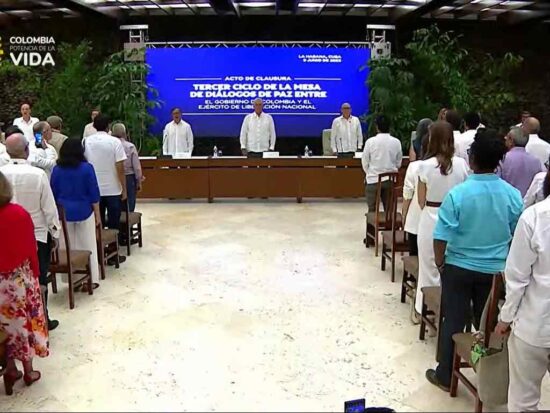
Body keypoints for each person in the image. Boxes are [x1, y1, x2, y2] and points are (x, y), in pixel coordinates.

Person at [425, 129, 523, 392]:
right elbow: (517, 235)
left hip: (458, 267)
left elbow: (441, 236)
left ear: (472, 159)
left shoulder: (458, 195)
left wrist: (440, 263)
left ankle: (446, 374)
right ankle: (487, 379)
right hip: (494, 273)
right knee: (486, 326)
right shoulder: (513, 195)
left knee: (453, 321)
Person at [495, 171, 550, 412]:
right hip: (535, 323)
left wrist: (505, 318)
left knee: (523, 402)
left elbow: (517, 278)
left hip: (534, 324)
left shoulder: (535, 218)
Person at [0, 132, 60, 331]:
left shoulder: (2, 174)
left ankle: (16, 323)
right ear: (26, 150)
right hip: (37, 234)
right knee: (39, 278)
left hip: (6, 235)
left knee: (11, 281)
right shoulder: (38, 174)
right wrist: (56, 233)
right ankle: (42, 320)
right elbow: (49, 208)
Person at [0, 171, 49, 394]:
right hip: (19, 280)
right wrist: (37, 275)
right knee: (24, 322)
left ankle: (9, 367)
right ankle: (28, 370)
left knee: (3, 327)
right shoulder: (19, 213)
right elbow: (31, 248)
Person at [414, 121, 469, 315]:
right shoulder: (462, 165)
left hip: (430, 218)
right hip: (456, 220)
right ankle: (449, 309)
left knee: (428, 267)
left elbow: (421, 200)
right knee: (451, 266)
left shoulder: (424, 166)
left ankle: (424, 308)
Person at [51, 138, 101, 290]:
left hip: (63, 212)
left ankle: (71, 278)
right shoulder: (87, 168)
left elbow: (53, 192)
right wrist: (98, 216)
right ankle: (90, 279)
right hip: (84, 210)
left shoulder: (57, 169)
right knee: (88, 245)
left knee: (68, 246)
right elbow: (94, 193)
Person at [83, 114, 127, 258]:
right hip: (113, 188)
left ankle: (98, 252)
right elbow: (120, 167)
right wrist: (124, 188)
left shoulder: (86, 141)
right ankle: (113, 252)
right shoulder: (115, 142)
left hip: (93, 189)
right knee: (114, 222)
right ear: (108, 126)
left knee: (97, 221)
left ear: (94, 126)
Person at [361, 115, 402, 213]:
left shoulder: (370, 142)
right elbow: (398, 163)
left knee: (372, 210)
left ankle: (372, 226)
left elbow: (365, 162)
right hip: (390, 180)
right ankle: (389, 226)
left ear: (377, 127)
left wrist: (369, 173)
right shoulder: (396, 142)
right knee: (389, 210)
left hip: (373, 180)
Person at [402, 119, 431, 256]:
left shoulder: (414, 167)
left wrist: (404, 216)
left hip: (416, 220)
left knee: (414, 253)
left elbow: (407, 195)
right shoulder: (452, 166)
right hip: (440, 225)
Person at [497, 126, 545, 196]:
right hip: (529, 203)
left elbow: (496, 181)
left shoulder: (503, 159)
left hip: (508, 201)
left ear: (511, 140)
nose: (505, 139)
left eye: (507, 138)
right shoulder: (536, 161)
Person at [111, 123, 143, 212]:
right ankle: (128, 222)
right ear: (124, 133)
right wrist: (139, 181)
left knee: (116, 201)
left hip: (113, 176)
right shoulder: (130, 146)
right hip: (129, 177)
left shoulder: (110, 146)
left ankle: (117, 222)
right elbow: (136, 166)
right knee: (130, 202)